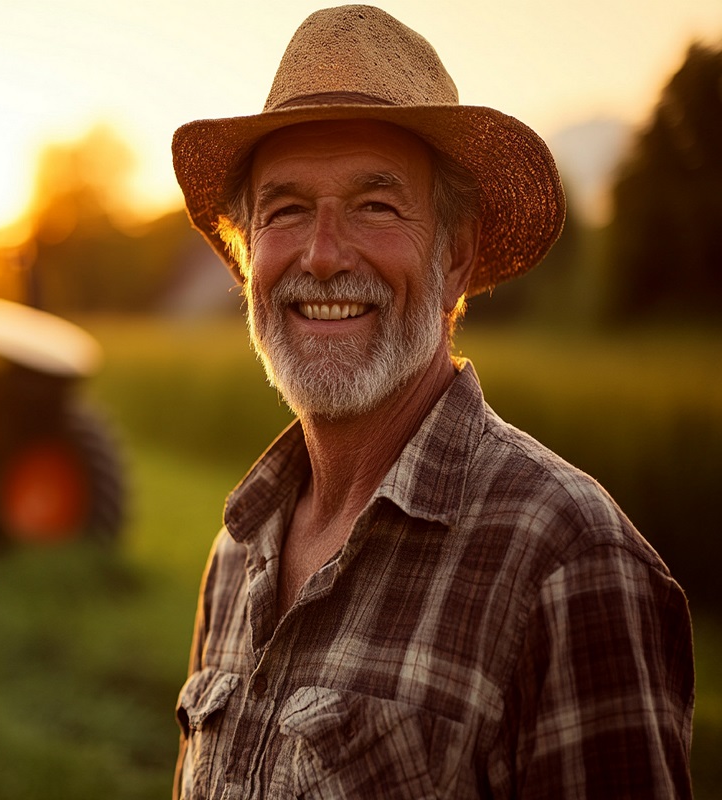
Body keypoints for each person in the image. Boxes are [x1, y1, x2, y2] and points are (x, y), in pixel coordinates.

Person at [169, 6, 694, 799]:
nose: (321, 254)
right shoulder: (239, 552)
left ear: (455, 255)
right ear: (248, 258)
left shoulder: (568, 561)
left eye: (376, 206)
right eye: (285, 209)